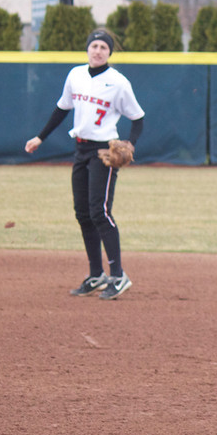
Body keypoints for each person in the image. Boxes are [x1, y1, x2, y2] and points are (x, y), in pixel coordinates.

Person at [25, 28, 144, 300]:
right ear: (87, 49)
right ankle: (96, 275)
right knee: (83, 213)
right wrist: (40, 137)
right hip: (80, 149)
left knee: (100, 212)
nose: (98, 51)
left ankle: (118, 276)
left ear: (109, 52)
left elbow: (138, 118)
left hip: (104, 152)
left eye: (103, 47)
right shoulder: (75, 75)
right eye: (94, 46)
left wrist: (130, 143)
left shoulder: (119, 82)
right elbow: (62, 109)